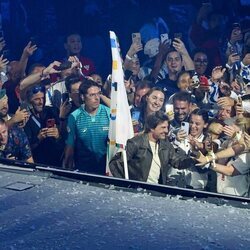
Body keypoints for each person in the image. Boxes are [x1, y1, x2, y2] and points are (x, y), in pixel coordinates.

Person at [109, 111, 194, 184]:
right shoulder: (136, 143)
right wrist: (127, 184)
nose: (166, 131)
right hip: (137, 190)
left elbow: (177, 162)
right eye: (163, 127)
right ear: (152, 128)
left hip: (156, 191)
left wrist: (194, 158)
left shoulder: (166, 145)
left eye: (167, 127)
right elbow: (115, 163)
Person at [63, 79, 110, 174]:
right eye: (92, 95)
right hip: (83, 168)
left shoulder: (108, 113)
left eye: (98, 94)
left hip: (105, 168)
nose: (97, 98)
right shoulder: (74, 116)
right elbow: (70, 145)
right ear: (82, 97)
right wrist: (67, 169)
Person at [24, 84, 64, 167]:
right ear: (30, 100)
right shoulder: (26, 119)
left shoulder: (52, 111)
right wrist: (38, 138)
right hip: (38, 163)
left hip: (56, 162)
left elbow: (63, 140)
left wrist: (58, 136)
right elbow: (25, 148)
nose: (41, 102)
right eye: (37, 99)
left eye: (43, 98)